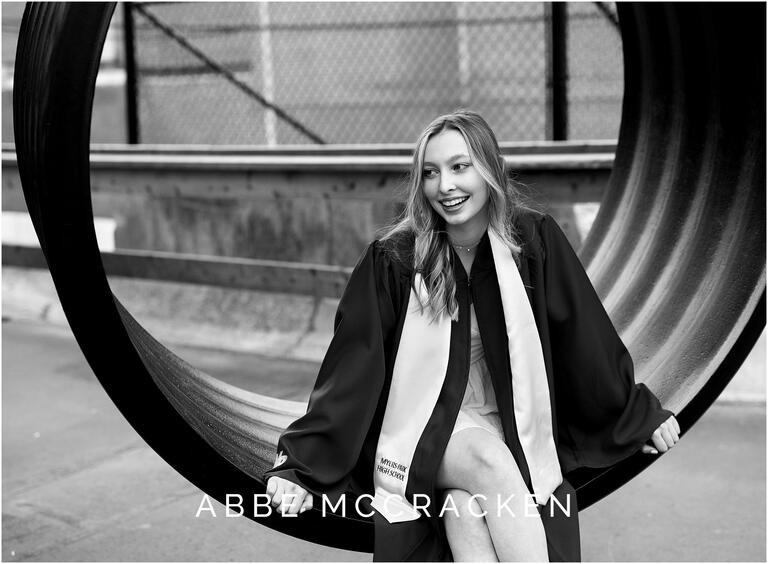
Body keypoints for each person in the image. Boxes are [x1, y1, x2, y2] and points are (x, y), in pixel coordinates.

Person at [263, 110, 680, 562]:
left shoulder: (531, 242)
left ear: (490, 168)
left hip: (509, 414)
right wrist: (302, 465)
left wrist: (633, 414)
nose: (445, 186)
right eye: (430, 172)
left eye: (460, 167)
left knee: (465, 508)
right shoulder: (397, 260)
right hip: (424, 422)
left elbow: (583, 337)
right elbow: (352, 365)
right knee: (488, 463)